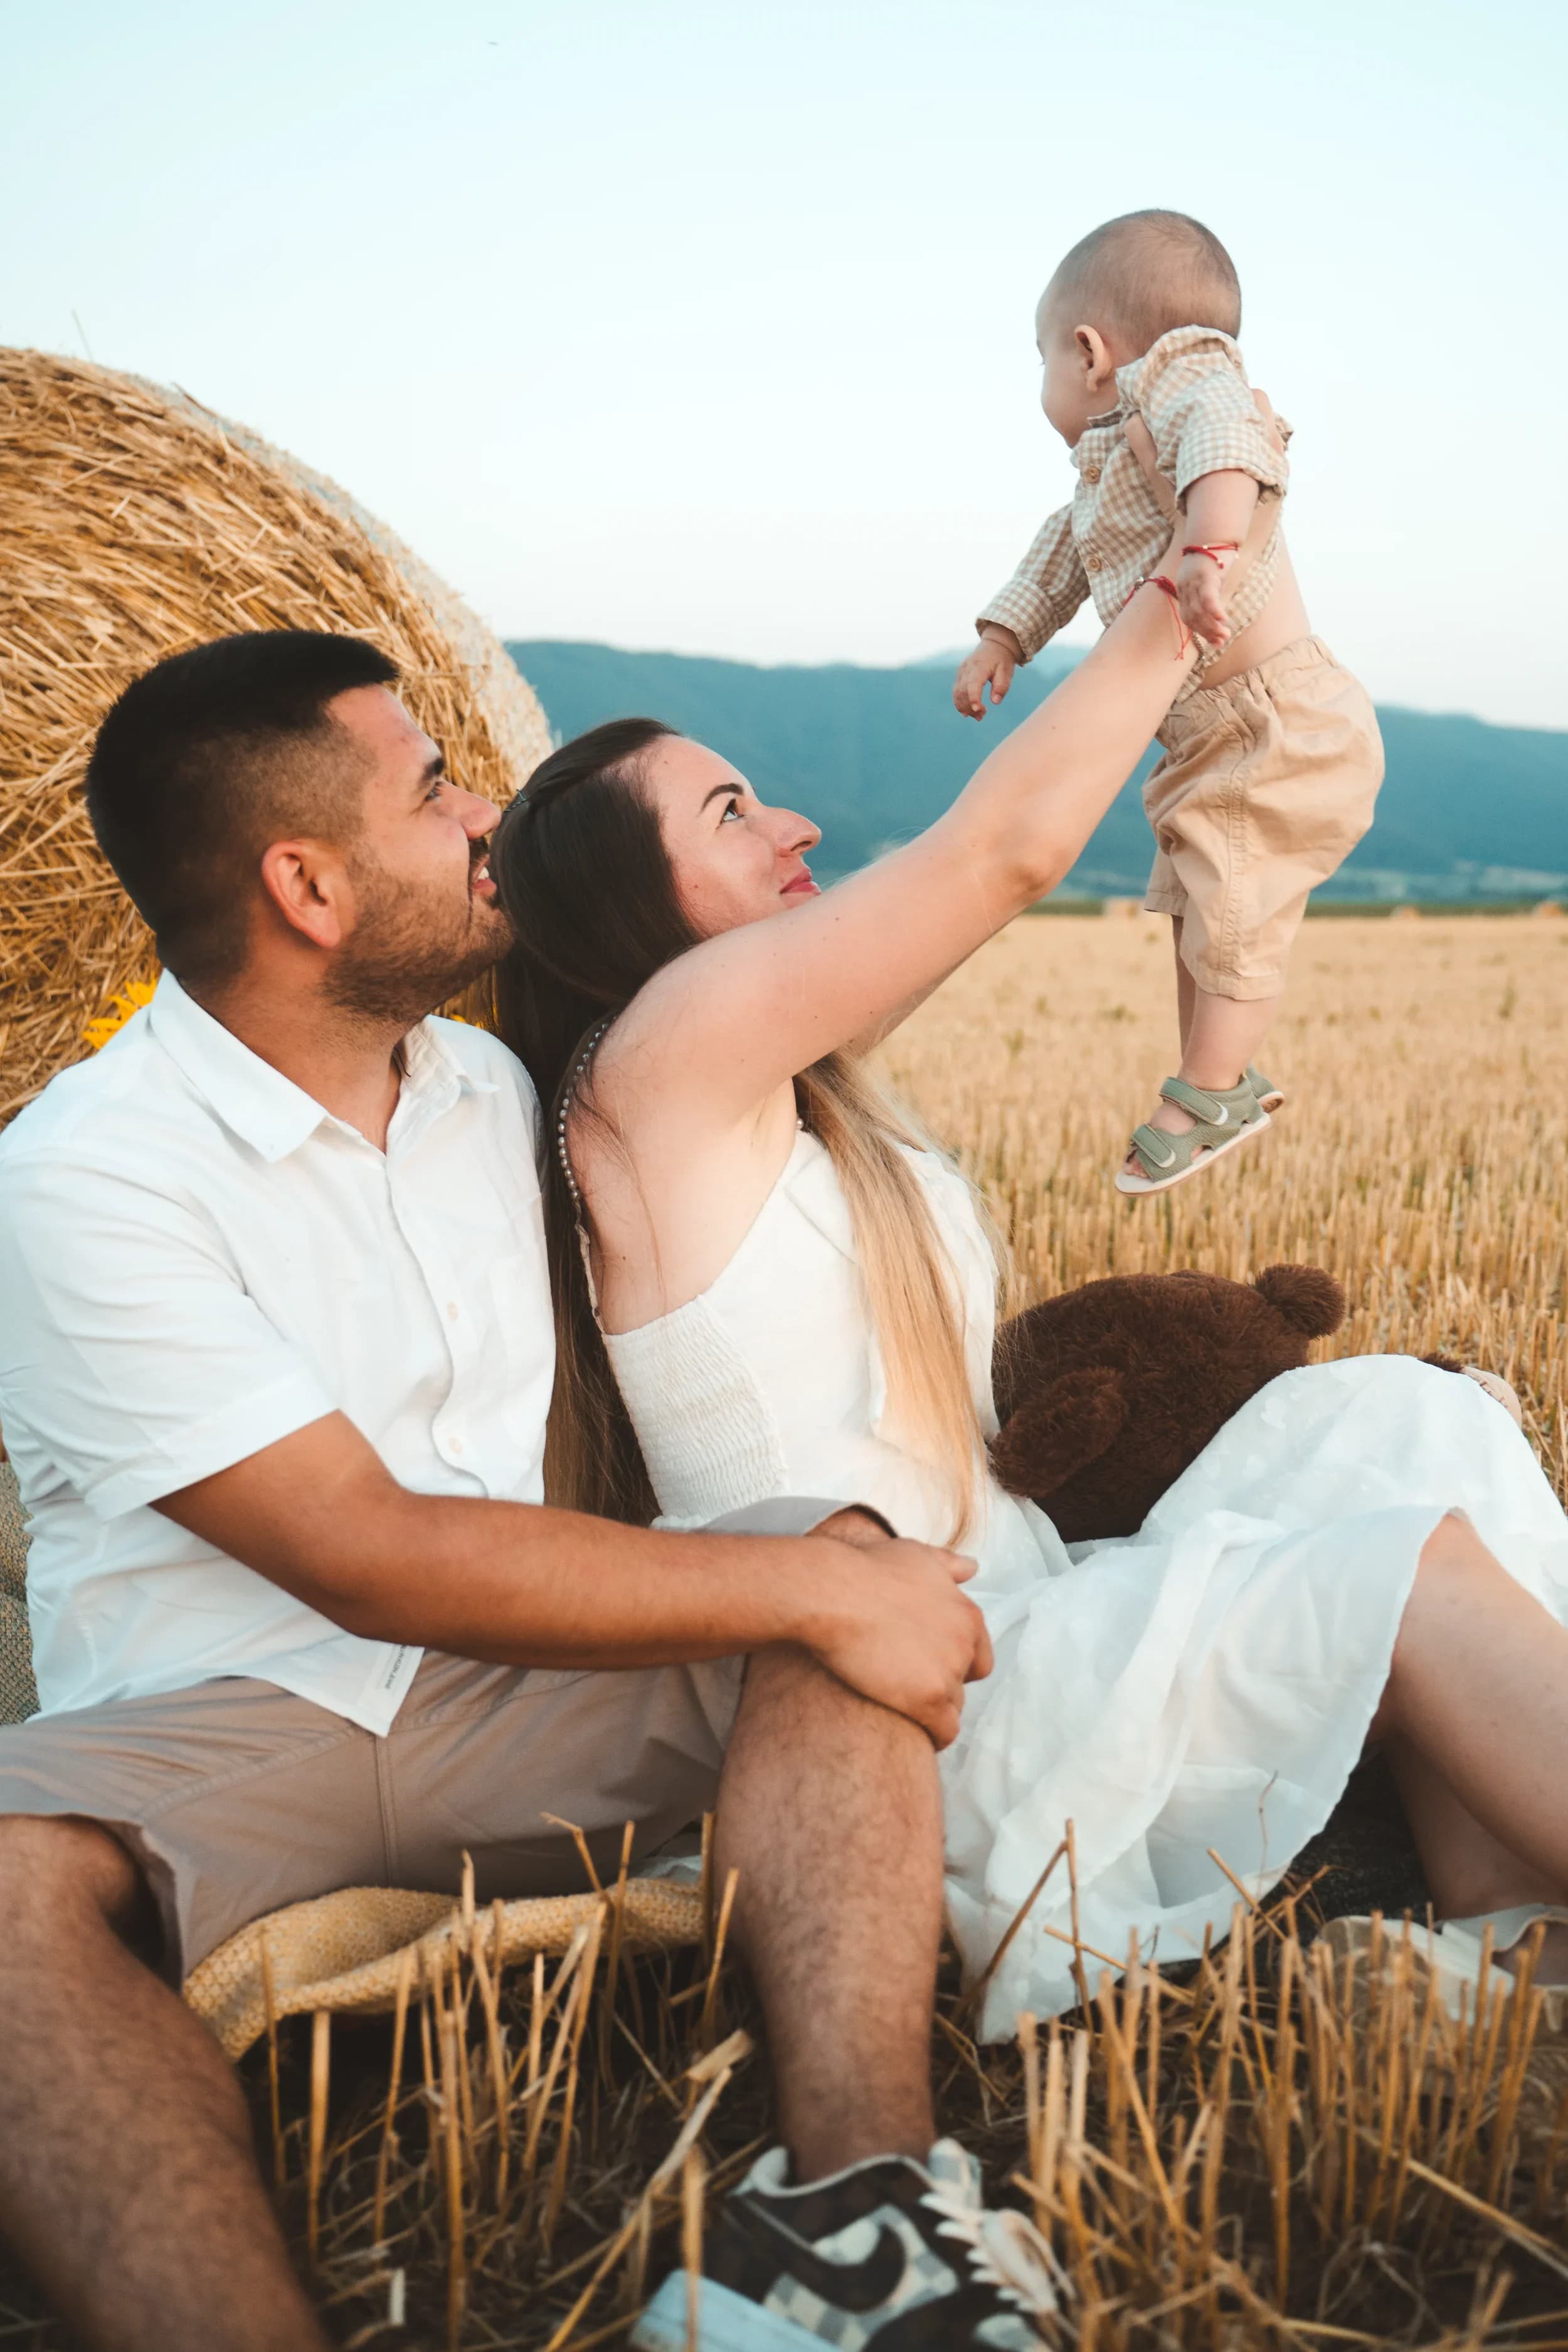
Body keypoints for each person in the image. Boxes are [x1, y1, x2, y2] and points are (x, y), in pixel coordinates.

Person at [489, 661, 1568, 2343]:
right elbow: (998, 854)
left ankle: (1503, 1958)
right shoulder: (650, 1081)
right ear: (627, 908)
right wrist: (1167, 612)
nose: (793, 823)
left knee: (1394, 1418)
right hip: (946, 1718)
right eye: (730, 814)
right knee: (1402, 1568)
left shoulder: (778, 1088)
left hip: (1042, 1610)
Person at [0, 630, 1021, 2352]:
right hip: (222, 1724)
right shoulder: (82, 1176)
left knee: (826, 1566)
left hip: (525, 1690)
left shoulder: (487, 1090)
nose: (486, 813)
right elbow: (362, 1551)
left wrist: (828, 1568)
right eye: (431, 790)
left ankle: (862, 2215)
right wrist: (812, 1584)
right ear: (307, 886)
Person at [951, 209, 1384, 1194]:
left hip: (1275, 724)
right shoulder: (1108, 471)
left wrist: (1207, 550)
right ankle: (1213, 1079)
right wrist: (1005, 635)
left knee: (1232, 916)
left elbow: (1232, 442)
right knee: (1197, 913)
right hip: (1211, 739)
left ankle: (1209, 1092)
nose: (1043, 381)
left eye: (1041, 359)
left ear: (1088, 351)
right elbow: (1061, 553)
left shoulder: (1188, 374)